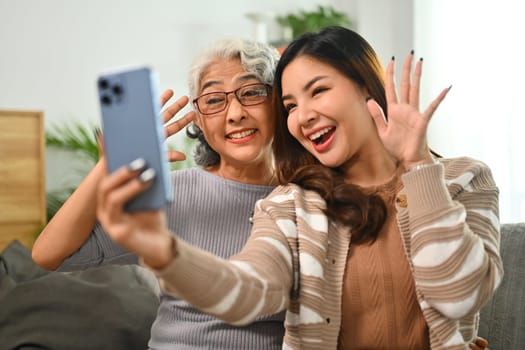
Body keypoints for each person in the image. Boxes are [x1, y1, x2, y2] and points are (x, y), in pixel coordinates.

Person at [95, 26, 503, 350]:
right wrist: (164, 251)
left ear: (366, 86)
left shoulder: (464, 180)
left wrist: (417, 168)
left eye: (318, 91)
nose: (302, 116)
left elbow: (458, 296)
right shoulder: (292, 205)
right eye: (289, 106)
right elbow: (248, 293)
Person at [32, 38, 285, 349]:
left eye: (252, 92)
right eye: (214, 100)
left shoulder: (306, 202)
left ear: (279, 104)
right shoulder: (169, 196)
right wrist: (107, 167)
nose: (234, 113)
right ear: (200, 121)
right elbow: (48, 255)